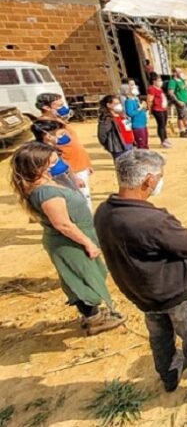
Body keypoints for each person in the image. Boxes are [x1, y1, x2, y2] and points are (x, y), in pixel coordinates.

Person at [94, 150, 187, 399]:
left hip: (143, 293)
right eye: (159, 177)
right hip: (176, 292)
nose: (160, 181)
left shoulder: (104, 212)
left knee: (160, 336)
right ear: (148, 181)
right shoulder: (151, 220)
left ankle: (169, 374)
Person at [10, 142, 125, 335]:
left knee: (86, 275)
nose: (57, 163)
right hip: (71, 242)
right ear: (38, 167)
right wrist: (87, 243)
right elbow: (62, 224)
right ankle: (94, 319)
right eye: (52, 161)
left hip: (75, 238)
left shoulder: (44, 182)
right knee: (82, 279)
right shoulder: (46, 193)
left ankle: (92, 314)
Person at [35, 93, 94, 207]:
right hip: (70, 171)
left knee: (85, 200)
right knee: (81, 204)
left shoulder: (59, 121)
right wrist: (72, 176)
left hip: (79, 167)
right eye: (59, 105)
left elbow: (73, 144)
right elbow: (52, 152)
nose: (63, 108)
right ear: (46, 108)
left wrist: (86, 164)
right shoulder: (45, 127)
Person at [30, 120, 86, 192]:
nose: (61, 135)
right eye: (58, 132)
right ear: (48, 136)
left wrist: (75, 178)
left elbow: (65, 165)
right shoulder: (39, 154)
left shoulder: (54, 148)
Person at [98, 95, 134, 160]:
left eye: (119, 103)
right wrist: (109, 145)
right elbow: (102, 135)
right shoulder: (107, 119)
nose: (119, 105)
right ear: (109, 105)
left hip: (129, 143)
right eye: (116, 104)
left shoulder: (121, 115)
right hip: (118, 146)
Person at [168, 68, 187, 139]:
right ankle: (182, 131)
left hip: (186, 100)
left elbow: (186, 88)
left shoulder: (182, 80)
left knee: (186, 116)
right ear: (174, 73)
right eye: (179, 72)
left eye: (181, 71)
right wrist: (177, 101)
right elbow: (170, 92)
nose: (181, 73)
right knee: (181, 116)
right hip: (180, 101)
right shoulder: (172, 81)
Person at [147, 74, 173, 149]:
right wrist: (149, 109)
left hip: (163, 108)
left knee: (164, 124)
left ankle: (165, 138)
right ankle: (162, 141)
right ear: (153, 81)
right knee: (161, 125)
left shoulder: (160, 88)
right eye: (158, 80)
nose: (160, 82)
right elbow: (149, 100)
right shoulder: (152, 89)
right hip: (157, 109)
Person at [123, 82, 149, 149]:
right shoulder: (129, 101)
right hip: (137, 125)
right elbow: (130, 113)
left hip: (143, 123)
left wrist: (144, 108)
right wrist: (140, 108)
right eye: (132, 87)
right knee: (141, 144)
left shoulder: (136, 99)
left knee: (145, 143)